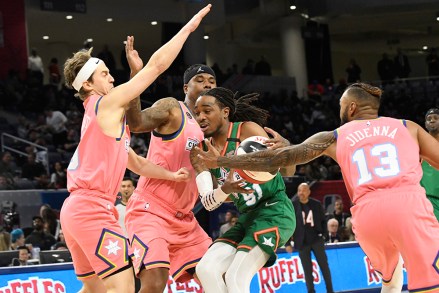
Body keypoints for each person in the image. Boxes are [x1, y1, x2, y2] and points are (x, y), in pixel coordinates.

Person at [196, 82, 439, 293]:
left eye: (341, 105)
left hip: (367, 215)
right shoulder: (408, 127)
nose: (340, 110)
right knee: (429, 283)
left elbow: (279, 161)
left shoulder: (335, 135)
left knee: (391, 278)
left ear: (351, 108)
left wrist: (222, 161)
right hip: (407, 206)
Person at [59, 5, 211, 293]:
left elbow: (136, 164)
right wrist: (188, 28)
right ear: (89, 84)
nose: (112, 79)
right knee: (124, 286)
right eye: (104, 74)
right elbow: (157, 67)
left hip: (74, 210)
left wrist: (171, 176)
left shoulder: (96, 116)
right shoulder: (106, 104)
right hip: (93, 208)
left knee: (94, 289)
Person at [191, 87, 295, 293]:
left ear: (225, 112)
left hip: (275, 209)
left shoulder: (246, 131)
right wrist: (225, 190)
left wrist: (287, 149)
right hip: (247, 217)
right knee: (206, 270)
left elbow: (288, 170)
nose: (200, 117)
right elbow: (209, 202)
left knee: (235, 277)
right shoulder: (201, 151)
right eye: (197, 113)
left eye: (207, 111)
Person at [124, 60, 216, 292]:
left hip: (185, 219)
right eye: (200, 80)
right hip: (151, 211)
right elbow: (135, 123)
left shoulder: (213, 125)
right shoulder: (172, 108)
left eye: (212, 81)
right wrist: (136, 75)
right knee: (155, 282)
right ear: (186, 88)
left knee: (216, 276)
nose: (207, 85)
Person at [285, 183, 333, 293]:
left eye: (303, 190)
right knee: (307, 270)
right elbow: (288, 225)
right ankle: (311, 291)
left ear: (308, 192)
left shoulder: (316, 204)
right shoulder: (293, 205)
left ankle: (330, 290)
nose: (301, 193)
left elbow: (323, 220)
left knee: (324, 267)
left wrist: (324, 235)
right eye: (299, 190)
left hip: (316, 239)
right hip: (301, 242)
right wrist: (287, 243)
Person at [420, 108, 439, 221]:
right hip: (429, 200)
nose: (432, 120)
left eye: (436, 118)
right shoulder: (419, 143)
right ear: (425, 124)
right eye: (429, 119)